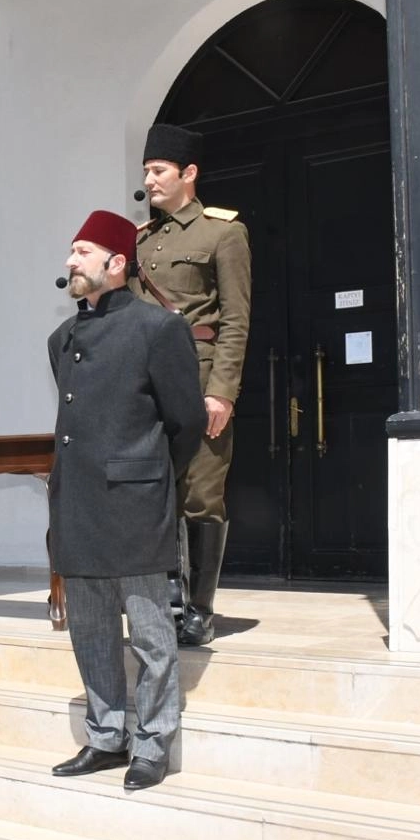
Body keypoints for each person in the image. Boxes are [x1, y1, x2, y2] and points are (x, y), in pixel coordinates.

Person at [47, 211, 206, 791]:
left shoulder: (158, 329)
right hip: (78, 505)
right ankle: (106, 735)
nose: (71, 262)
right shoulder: (61, 339)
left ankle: (153, 742)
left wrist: (150, 479)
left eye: (82, 252)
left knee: (150, 636)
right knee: (89, 634)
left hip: (136, 505)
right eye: (71, 252)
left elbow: (184, 423)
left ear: (116, 264)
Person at [136, 123, 252, 647]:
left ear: (188, 174)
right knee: (156, 492)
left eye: (158, 171)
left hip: (201, 374)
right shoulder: (141, 240)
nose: (150, 181)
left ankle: (200, 609)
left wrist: (222, 389)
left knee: (201, 494)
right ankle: (166, 601)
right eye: (146, 172)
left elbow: (236, 318)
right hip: (148, 383)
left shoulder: (223, 232)